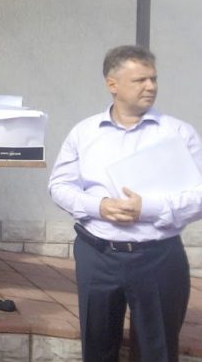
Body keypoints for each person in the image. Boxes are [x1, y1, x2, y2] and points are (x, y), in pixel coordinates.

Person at [49, 45, 202, 362]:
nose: (151, 86)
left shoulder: (178, 133)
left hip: (158, 257)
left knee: (157, 351)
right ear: (112, 84)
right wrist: (100, 206)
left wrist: (147, 208)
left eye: (153, 79)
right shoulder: (85, 132)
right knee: (98, 348)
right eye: (140, 80)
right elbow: (59, 186)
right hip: (97, 255)